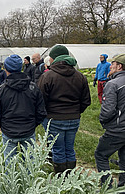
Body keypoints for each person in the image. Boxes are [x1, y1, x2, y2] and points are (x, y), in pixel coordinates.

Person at [38, 45, 91, 174]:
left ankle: (61, 180)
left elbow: (40, 100)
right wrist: (75, 111)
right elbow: (86, 101)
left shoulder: (47, 76)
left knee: (58, 150)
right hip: (73, 119)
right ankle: (70, 177)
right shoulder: (80, 76)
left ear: (55, 58)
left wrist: (46, 115)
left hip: (54, 118)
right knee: (69, 149)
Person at [0, 54, 47, 165]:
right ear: (21, 68)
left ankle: (10, 182)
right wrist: (32, 124)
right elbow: (41, 112)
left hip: (9, 132)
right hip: (29, 131)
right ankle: (29, 182)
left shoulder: (1, 90)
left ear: (6, 69)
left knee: (9, 164)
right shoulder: (33, 88)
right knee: (30, 164)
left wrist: (2, 125)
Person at [94, 54, 125, 188]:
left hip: (117, 129)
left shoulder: (113, 84)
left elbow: (108, 111)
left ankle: (107, 186)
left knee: (101, 154)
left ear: (119, 66)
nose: (110, 66)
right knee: (123, 157)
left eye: (113, 64)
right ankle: (122, 186)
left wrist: (104, 122)